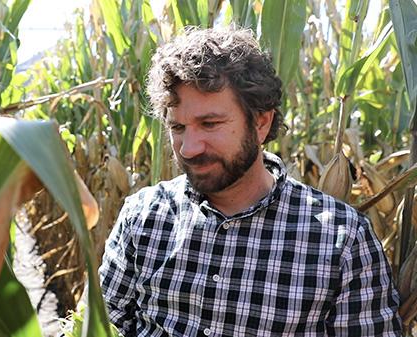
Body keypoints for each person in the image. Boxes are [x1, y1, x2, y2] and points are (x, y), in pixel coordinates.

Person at [98, 26, 402, 337]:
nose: (189, 148)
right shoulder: (143, 216)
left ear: (260, 122)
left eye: (210, 124)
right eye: (177, 127)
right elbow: (100, 325)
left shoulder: (342, 240)